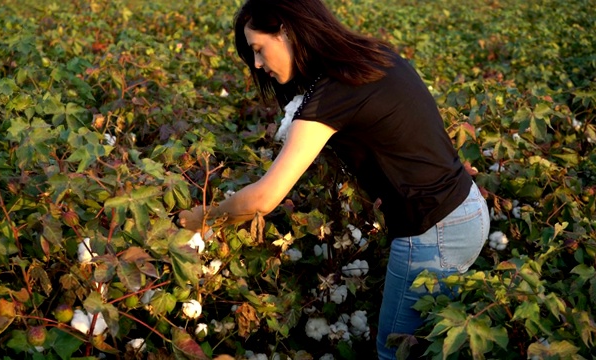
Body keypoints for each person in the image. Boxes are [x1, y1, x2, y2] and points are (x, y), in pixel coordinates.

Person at [179, 0, 490, 358]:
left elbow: (264, 198)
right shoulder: (368, 57)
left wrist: (200, 217)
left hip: (434, 230)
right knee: (427, 345)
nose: (258, 65)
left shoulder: (335, 92)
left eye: (258, 50)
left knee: (396, 353)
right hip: (464, 209)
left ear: (285, 30)